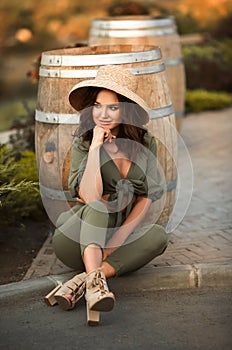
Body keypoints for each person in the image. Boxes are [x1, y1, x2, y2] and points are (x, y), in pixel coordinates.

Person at [45, 65, 168, 326]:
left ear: (126, 110)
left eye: (112, 107)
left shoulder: (145, 144)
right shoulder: (84, 142)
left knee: (158, 236)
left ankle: (85, 281)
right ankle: (97, 287)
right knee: (99, 207)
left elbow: (146, 195)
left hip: (114, 237)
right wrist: (96, 148)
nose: (103, 114)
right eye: (98, 106)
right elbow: (90, 197)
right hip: (76, 238)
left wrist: (118, 240)